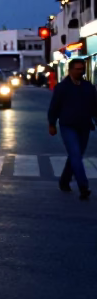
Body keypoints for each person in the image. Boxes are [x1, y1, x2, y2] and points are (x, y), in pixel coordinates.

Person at [48, 57, 97, 200]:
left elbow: (94, 107)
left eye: (82, 69)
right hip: (67, 126)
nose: (80, 72)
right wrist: (52, 123)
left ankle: (64, 181)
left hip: (84, 126)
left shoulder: (89, 87)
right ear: (70, 70)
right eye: (77, 69)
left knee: (76, 156)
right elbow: (54, 107)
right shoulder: (62, 88)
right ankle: (83, 186)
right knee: (75, 154)